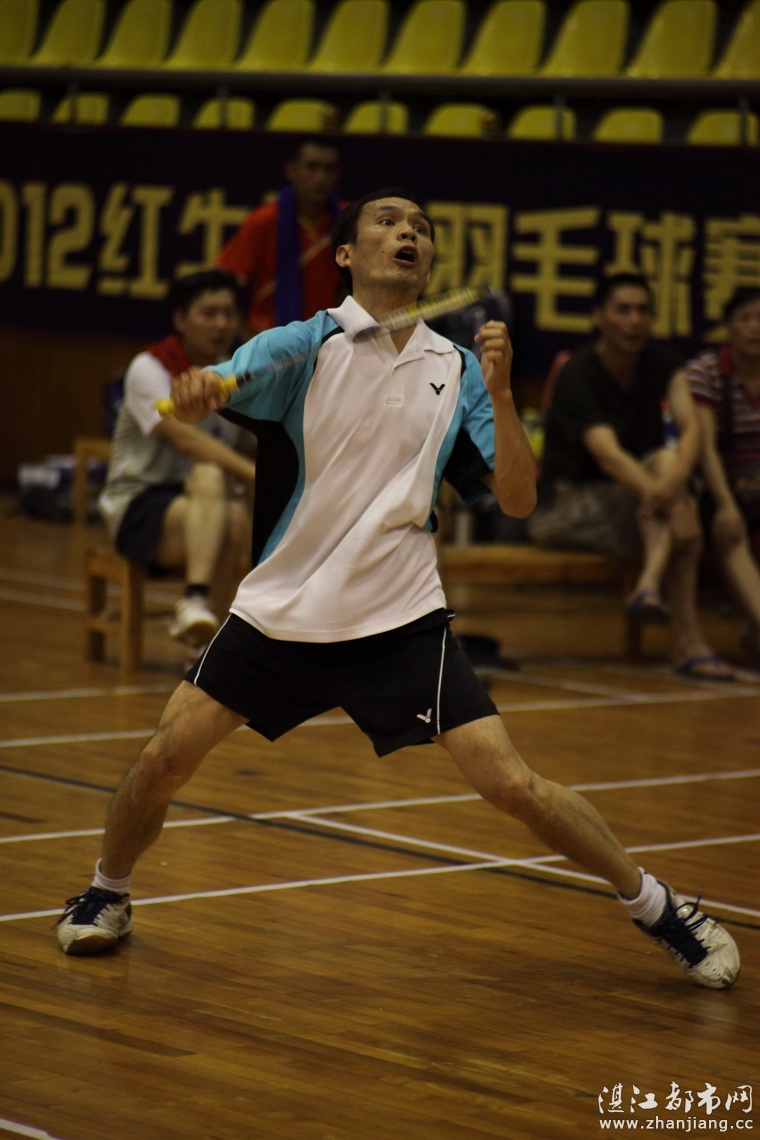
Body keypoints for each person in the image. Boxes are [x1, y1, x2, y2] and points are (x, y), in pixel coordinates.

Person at [57, 192, 739, 991]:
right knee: (162, 759)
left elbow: (519, 500)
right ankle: (107, 891)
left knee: (512, 784)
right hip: (283, 610)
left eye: (420, 227)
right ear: (345, 254)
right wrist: (208, 386)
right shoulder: (304, 344)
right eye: (387, 222)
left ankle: (660, 908)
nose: (407, 232)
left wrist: (504, 395)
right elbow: (224, 379)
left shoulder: (456, 369)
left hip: (398, 617)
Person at [528, 272, 735, 681]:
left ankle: (648, 587)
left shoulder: (662, 362)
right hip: (565, 506)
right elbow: (609, 457)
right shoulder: (578, 373)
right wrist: (674, 502)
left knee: (666, 461)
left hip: (635, 500)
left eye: (643, 311)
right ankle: (688, 643)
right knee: (682, 519)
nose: (634, 320)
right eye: (623, 310)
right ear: (598, 317)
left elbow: (692, 429)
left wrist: (673, 484)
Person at [99, 268, 256, 650]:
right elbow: (185, 439)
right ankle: (201, 624)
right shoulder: (149, 368)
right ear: (180, 320)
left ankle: (200, 631)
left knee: (233, 510)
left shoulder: (235, 374)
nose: (221, 324)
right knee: (213, 479)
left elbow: (254, 442)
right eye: (209, 313)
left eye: (228, 314)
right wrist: (255, 474)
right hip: (139, 504)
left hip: (206, 505)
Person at [686, 286, 760, 665]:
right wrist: (727, 504)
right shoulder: (707, 371)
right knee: (729, 526)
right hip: (718, 485)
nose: (755, 328)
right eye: (745, 319)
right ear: (728, 327)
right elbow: (707, 449)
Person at [215, 137, 342, 335]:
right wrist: (250, 340)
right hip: (273, 341)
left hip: (336, 339)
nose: (320, 177)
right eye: (311, 167)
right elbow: (219, 281)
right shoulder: (264, 220)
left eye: (329, 169)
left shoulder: (349, 220)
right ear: (291, 170)